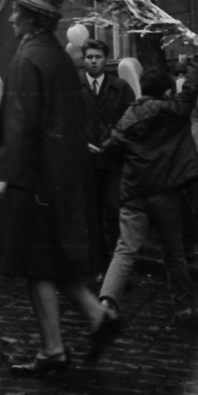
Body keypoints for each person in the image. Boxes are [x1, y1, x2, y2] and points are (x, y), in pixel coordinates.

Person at [0, 0, 114, 378]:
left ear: (31, 17)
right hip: (63, 177)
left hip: (35, 180)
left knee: (36, 264)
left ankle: (56, 348)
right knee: (52, 261)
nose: (11, 18)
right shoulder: (59, 56)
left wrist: (3, 176)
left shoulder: (27, 59)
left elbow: (20, 124)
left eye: (17, 11)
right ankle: (94, 319)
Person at [97, 54, 198, 325]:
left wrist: (103, 149)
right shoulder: (173, 110)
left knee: (125, 249)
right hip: (165, 192)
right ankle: (184, 308)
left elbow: (111, 148)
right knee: (174, 252)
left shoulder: (129, 115)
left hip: (133, 192)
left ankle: (106, 303)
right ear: (167, 90)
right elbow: (191, 89)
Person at [82, 38, 135, 271]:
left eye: (98, 57)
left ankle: (116, 268)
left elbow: (131, 121)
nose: (93, 61)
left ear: (106, 59)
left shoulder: (120, 88)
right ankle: (98, 265)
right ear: (83, 59)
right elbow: (65, 121)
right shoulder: (75, 87)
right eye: (89, 57)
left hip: (113, 160)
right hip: (85, 163)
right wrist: (80, 143)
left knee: (114, 210)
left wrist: (114, 141)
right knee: (90, 215)